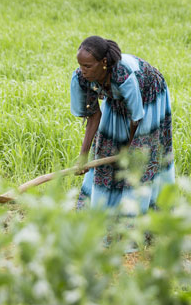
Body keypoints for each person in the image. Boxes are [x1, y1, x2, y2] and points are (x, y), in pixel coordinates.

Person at [70, 35, 175, 213]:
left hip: (149, 95)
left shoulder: (123, 76)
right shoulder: (81, 79)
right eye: (80, 65)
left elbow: (136, 118)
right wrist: (83, 157)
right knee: (105, 149)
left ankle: (137, 219)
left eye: (87, 66)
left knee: (139, 158)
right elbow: (94, 117)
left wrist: (128, 149)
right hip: (115, 99)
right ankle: (105, 212)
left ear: (103, 62)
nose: (83, 70)